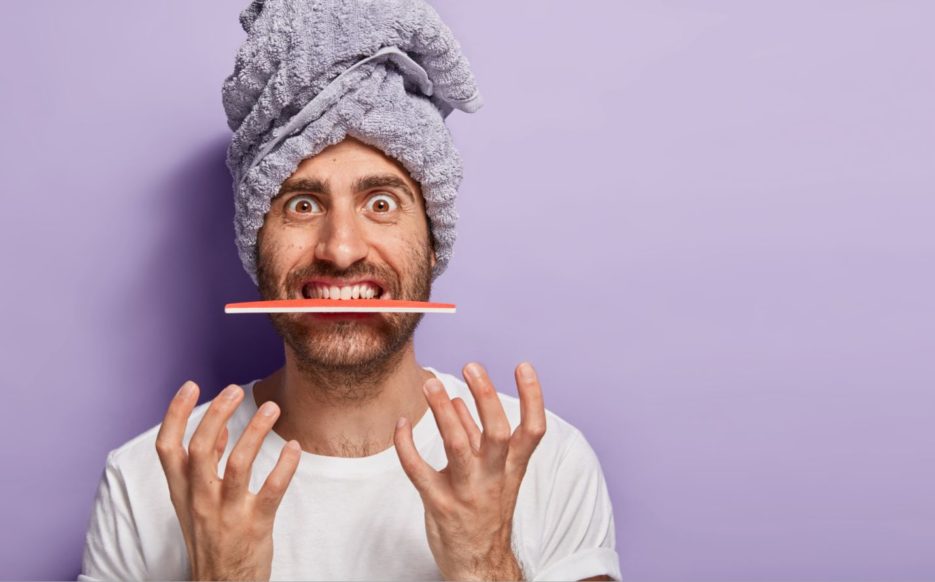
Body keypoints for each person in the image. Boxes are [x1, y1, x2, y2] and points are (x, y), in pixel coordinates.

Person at [78, 1, 621, 580]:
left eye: (381, 204)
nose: (341, 249)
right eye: (303, 205)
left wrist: (486, 563)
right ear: (254, 243)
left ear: (433, 242)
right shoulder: (146, 482)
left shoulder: (543, 463)